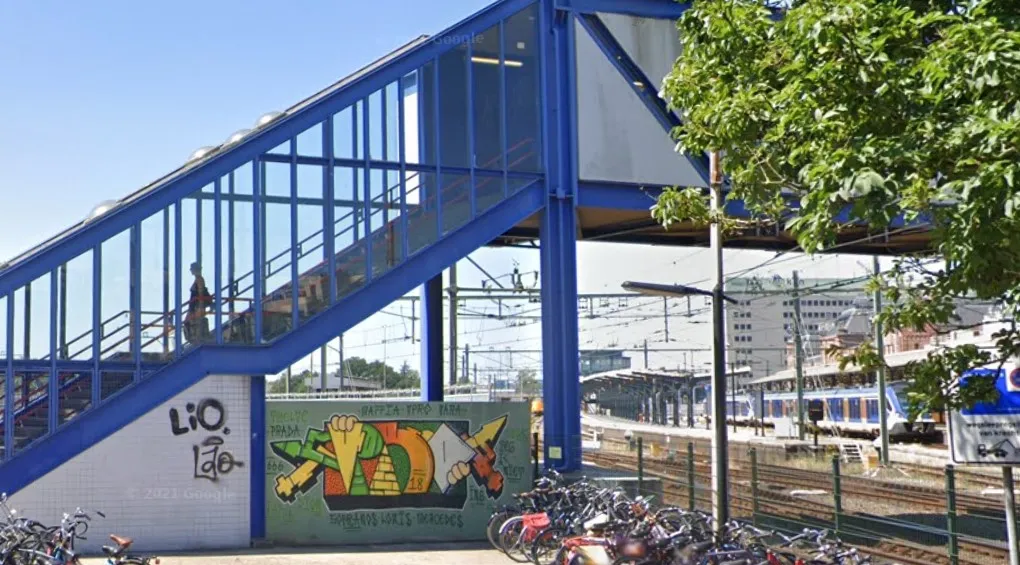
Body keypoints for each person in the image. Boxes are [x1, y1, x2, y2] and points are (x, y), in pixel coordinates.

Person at [185, 262, 212, 343]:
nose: (191, 271)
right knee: (188, 322)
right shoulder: (198, 279)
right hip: (194, 305)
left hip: (196, 305)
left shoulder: (200, 279)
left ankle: (196, 338)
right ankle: (194, 338)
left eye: (192, 269)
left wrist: (200, 305)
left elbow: (200, 292)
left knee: (191, 322)